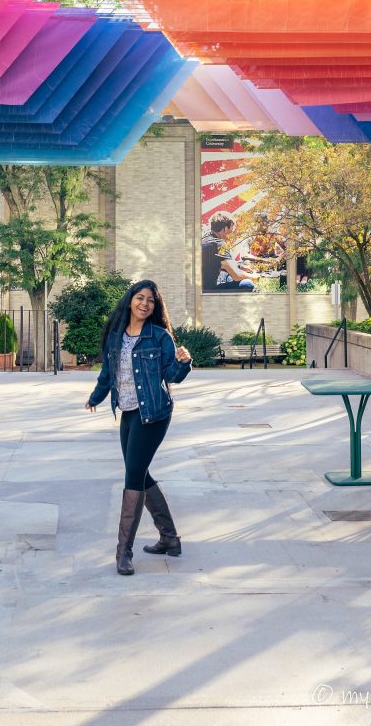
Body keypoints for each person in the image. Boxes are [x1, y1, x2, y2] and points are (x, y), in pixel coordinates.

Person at [85, 280, 192, 576]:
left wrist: (183, 362)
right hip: (129, 413)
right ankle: (169, 538)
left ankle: (123, 552)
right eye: (140, 298)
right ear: (130, 300)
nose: (145, 304)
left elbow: (172, 375)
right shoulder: (116, 336)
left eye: (151, 301)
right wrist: (95, 397)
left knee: (133, 475)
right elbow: (108, 373)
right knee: (140, 472)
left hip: (155, 414)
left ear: (155, 307)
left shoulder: (160, 336)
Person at [201, 211, 259, 291]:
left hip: (198, 288)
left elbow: (218, 262)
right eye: (231, 231)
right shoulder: (219, 244)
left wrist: (239, 266)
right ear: (224, 228)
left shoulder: (205, 238)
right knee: (247, 283)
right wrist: (256, 277)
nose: (231, 235)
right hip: (208, 290)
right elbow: (237, 276)